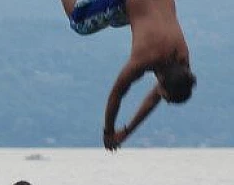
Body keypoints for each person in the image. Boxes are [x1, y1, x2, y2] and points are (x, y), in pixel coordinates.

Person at [59, 0, 196, 151]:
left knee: (120, 18)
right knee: (79, 23)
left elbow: (153, 99)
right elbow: (116, 95)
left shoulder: (182, 56)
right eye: (164, 96)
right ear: (162, 81)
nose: (161, 98)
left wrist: (126, 132)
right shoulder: (144, 58)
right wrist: (109, 133)